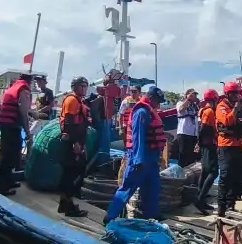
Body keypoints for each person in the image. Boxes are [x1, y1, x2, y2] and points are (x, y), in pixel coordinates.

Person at [104, 86, 166, 224]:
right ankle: (110, 217)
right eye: (157, 100)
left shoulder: (150, 112)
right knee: (128, 187)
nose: (158, 104)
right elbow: (138, 137)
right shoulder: (142, 112)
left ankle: (152, 216)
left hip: (152, 158)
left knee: (152, 187)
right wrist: (139, 160)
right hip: (141, 157)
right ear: (150, 98)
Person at [58, 76, 92, 217]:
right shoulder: (72, 100)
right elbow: (69, 123)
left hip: (77, 142)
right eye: (81, 86)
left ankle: (65, 203)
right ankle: (69, 206)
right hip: (73, 143)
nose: (84, 88)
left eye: (85, 86)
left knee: (72, 173)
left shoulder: (79, 101)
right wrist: (75, 143)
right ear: (74, 87)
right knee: (74, 173)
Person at [0, 74, 33, 196]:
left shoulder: (13, 87)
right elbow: (23, 113)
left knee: (14, 153)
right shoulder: (24, 89)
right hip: (11, 126)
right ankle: (1, 187)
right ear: (29, 81)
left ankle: (9, 180)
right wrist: (28, 131)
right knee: (9, 156)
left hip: (6, 124)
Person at [215, 81, 242, 217]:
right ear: (227, 94)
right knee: (225, 176)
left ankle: (231, 204)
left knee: (236, 176)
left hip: (238, 145)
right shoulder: (221, 107)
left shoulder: (240, 107)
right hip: (226, 145)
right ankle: (221, 208)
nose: (236, 95)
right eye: (233, 93)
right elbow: (227, 121)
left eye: (237, 93)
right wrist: (235, 108)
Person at [195, 89, 220, 214]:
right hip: (209, 145)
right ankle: (200, 199)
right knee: (213, 172)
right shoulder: (209, 111)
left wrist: (199, 143)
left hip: (206, 144)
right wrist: (201, 143)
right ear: (214, 100)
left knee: (205, 172)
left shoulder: (204, 110)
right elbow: (204, 129)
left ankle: (201, 198)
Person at [175, 88, 200, 167]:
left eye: (195, 95)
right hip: (184, 133)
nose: (194, 96)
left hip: (193, 135)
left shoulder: (195, 106)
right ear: (187, 95)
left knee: (192, 158)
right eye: (192, 94)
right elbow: (181, 110)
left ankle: (190, 176)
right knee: (183, 156)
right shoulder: (180, 103)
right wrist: (188, 99)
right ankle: (180, 176)